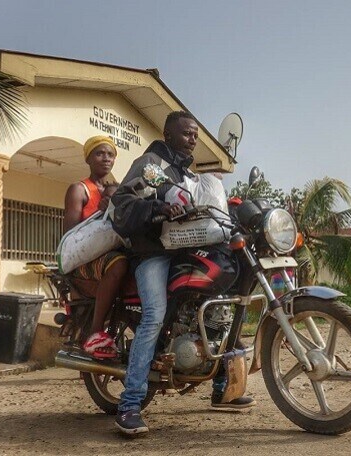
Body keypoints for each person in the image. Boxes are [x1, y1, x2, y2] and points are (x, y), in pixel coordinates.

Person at [111, 111, 254, 435]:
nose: (193, 139)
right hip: (152, 253)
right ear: (168, 133)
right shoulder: (151, 164)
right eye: (187, 133)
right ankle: (130, 405)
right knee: (154, 316)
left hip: (185, 249)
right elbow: (123, 203)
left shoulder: (186, 174)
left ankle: (221, 387)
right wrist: (157, 209)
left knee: (217, 309)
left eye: (195, 134)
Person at [63, 136, 128, 359]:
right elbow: (71, 234)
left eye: (110, 154)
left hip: (109, 253)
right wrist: (100, 215)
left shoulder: (119, 191)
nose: (106, 159)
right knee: (119, 265)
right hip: (85, 259)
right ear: (88, 158)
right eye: (100, 153)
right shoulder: (79, 190)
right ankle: (95, 331)